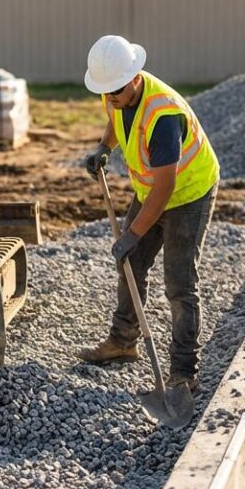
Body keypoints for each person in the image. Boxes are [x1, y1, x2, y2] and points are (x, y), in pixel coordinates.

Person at [77, 35, 220, 393]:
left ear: (135, 79)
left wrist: (133, 234)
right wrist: (104, 147)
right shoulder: (114, 87)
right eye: (107, 93)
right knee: (130, 265)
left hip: (188, 193)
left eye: (117, 92)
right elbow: (115, 116)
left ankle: (184, 372)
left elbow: (166, 187)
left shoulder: (163, 116)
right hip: (151, 189)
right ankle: (123, 342)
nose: (111, 99)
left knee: (180, 284)